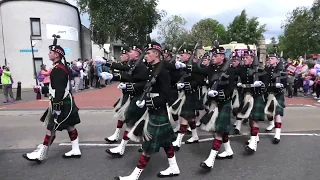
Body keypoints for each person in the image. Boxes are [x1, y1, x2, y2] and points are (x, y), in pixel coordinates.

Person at [114, 41, 179, 180]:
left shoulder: (162, 71)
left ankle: (134, 176)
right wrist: (126, 85)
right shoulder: (152, 68)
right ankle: (174, 167)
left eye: (148, 53)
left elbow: (166, 95)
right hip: (152, 109)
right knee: (166, 142)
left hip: (158, 109)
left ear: (156, 54)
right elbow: (141, 82)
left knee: (148, 146)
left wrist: (148, 102)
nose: (146, 55)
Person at [22, 40, 82, 163]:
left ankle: (42, 154)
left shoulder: (58, 69)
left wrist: (58, 107)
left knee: (51, 128)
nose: (49, 54)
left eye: (51, 52)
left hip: (60, 102)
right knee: (70, 125)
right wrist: (41, 88)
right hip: (63, 100)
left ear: (57, 55)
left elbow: (59, 89)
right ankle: (76, 149)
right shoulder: (57, 67)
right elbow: (54, 87)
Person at [264, 52, 286, 144]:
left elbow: (285, 80)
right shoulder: (268, 69)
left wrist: (281, 84)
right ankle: (271, 123)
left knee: (277, 113)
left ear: (277, 60)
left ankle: (277, 134)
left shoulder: (281, 69)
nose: (270, 59)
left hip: (278, 94)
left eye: (272, 58)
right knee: (269, 112)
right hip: (269, 92)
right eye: (270, 58)